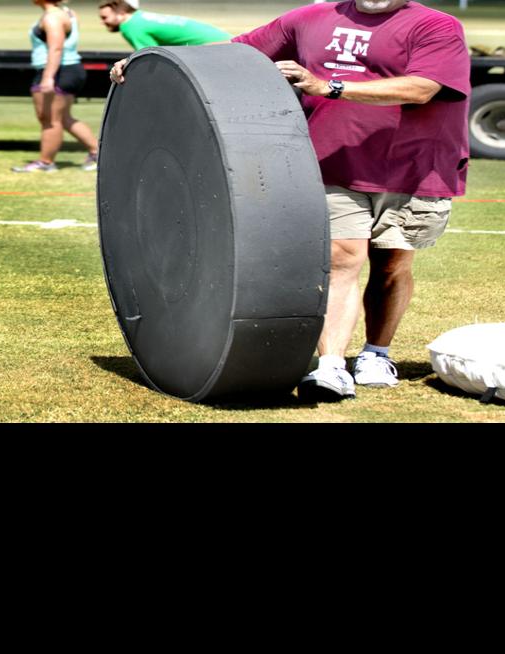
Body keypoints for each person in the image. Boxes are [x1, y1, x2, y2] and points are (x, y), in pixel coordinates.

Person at [111, 0, 470, 400]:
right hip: (331, 163)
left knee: (391, 265)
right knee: (342, 258)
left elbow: (423, 88)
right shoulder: (309, 18)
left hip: (415, 167)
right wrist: (153, 60)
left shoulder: (436, 26)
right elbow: (237, 52)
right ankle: (332, 366)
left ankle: (375, 353)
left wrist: (329, 86)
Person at [13, 0, 99, 173]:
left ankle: (46, 163)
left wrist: (48, 78)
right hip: (67, 69)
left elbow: (56, 48)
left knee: (50, 119)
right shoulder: (66, 12)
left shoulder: (53, 17)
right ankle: (97, 153)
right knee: (63, 118)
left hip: (58, 71)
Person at [96, 1, 229, 50]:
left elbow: (150, 56)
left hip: (214, 48)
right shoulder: (140, 17)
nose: (102, 22)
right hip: (226, 40)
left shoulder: (130, 26)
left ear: (121, 12)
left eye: (105, 17)